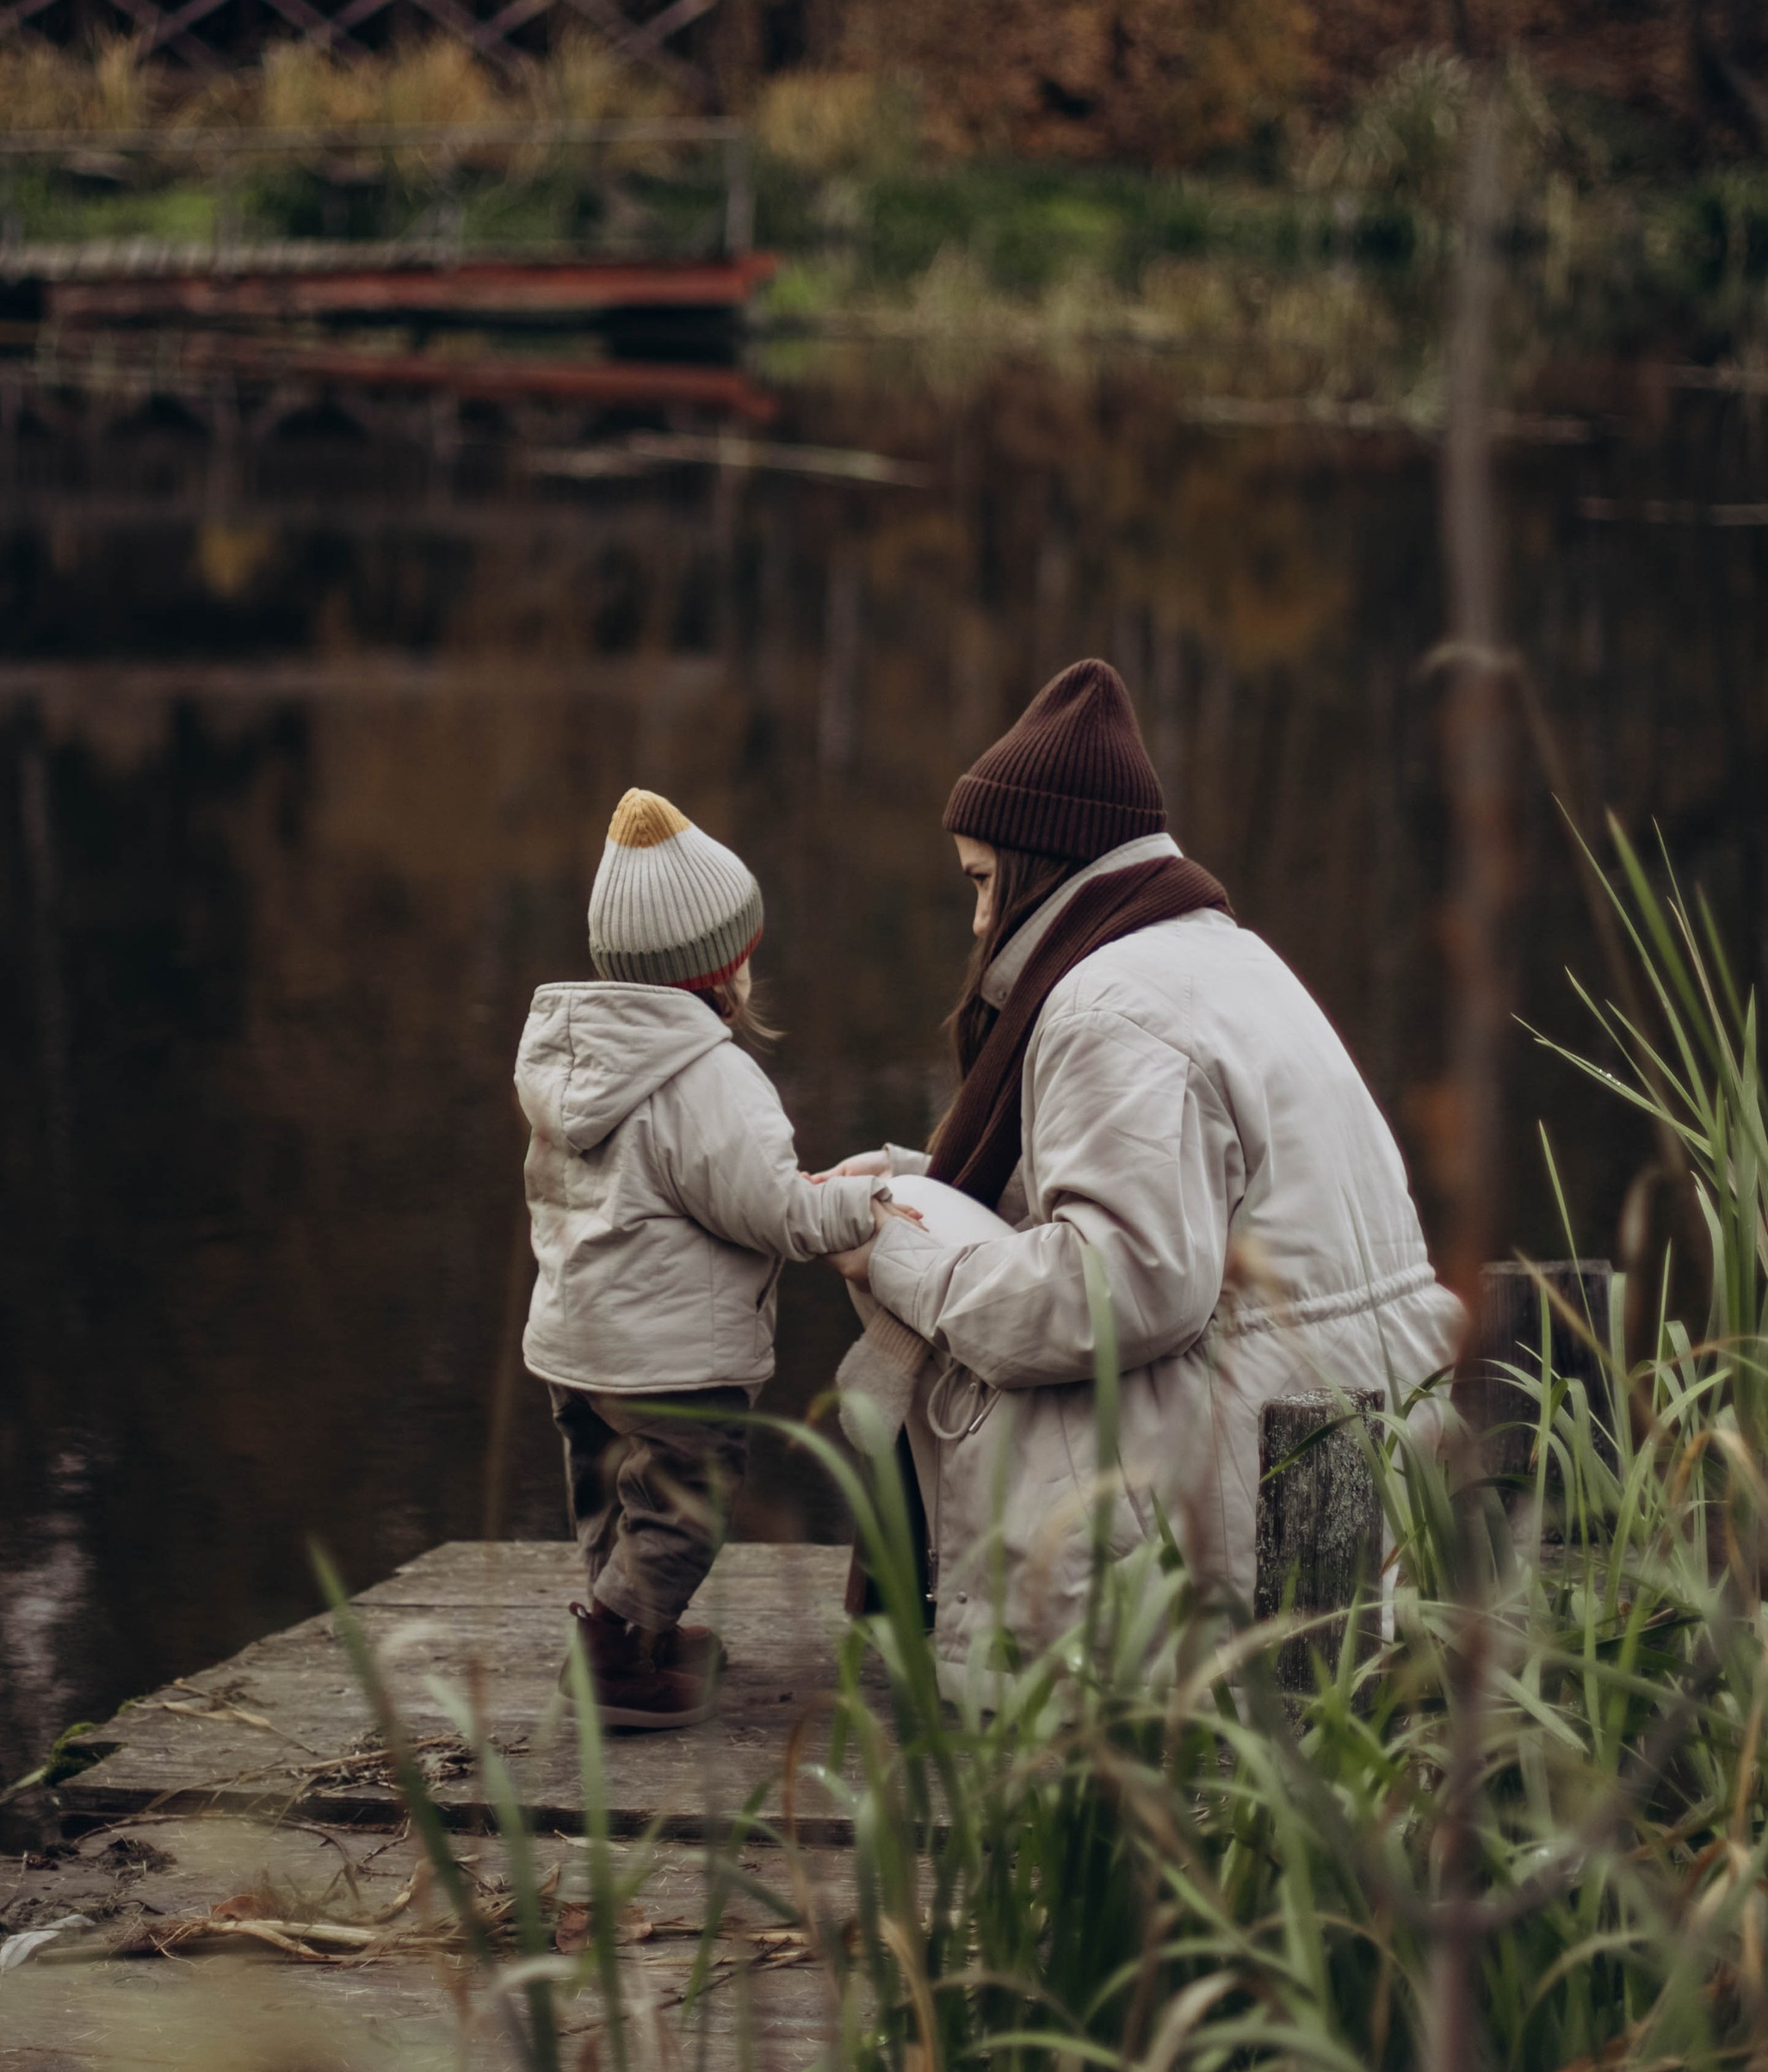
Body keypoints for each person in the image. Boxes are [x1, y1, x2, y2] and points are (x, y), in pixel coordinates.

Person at [831, 659, 1458, 1675]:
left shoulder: (1104, 1004)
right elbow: (1164, 1199)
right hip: (1356, 1468)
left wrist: (901, 1252)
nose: (978, 923)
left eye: (983, 884)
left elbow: (1121, 1292)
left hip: (1248, 1520)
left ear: (1043, 865)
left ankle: (1032, 1667)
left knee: (976, 1320)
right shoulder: (1220, 957)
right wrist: (919, 1183)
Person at [517, 787, 880, 1729]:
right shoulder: (708, 1076)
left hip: (574, 1342)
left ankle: (626, 1629)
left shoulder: (571, 1061)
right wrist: (863, 1204)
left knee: (606, 1491)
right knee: (689, 1494)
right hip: (668, 1357)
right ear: (727, 967)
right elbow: (774, 1214)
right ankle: (612, 1654)